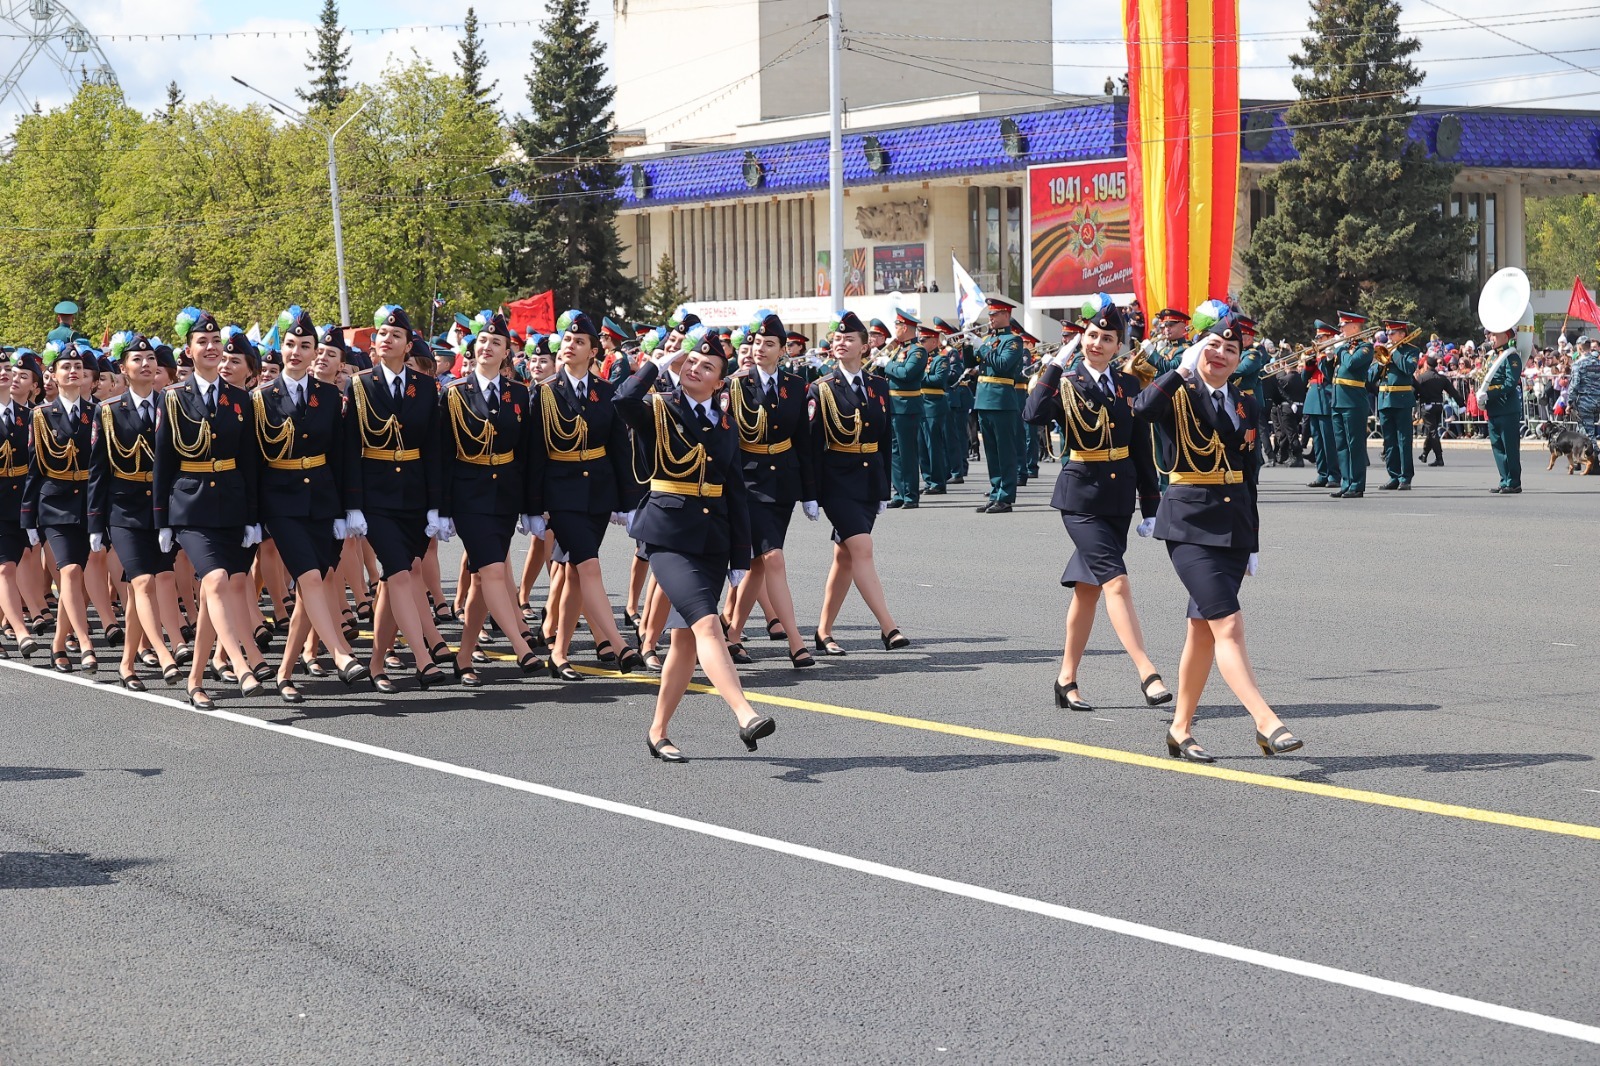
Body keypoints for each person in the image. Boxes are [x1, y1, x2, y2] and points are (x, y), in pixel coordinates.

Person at [1132, 308, 1302, 763]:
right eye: (1213, 345)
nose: (1222, 354)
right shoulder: (1177, 391)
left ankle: (1180, 729)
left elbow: (1250, 474)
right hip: (1188, 524)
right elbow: (1141, 408)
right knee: (1228, 623)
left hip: (1233, 526)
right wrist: (1180, 369)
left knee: (1202, 631)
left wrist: (1254, 540)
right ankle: (1266, 721)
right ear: (1196, 349)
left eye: (1232, 348)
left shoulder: (1244, 401)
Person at [613, 325, 777, 762]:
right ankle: (745, 714)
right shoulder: (658, 408)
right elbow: (621, 401)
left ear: (720, 381)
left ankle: (658, 731)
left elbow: (736, 489)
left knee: (685, 643)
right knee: (707, 624)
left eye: (707, 366)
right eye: (691, 361)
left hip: (713, 540)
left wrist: (740, 554)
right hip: (667, 536)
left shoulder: (724, 423)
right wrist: (655, 365)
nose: (695, 368)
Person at [1023, 295, 1170, 713]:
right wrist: (1055, 363)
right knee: (1116, 582)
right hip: (1081, 497)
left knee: (1087, 592)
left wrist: (1151, 504)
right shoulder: (1065, 382)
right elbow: (1032, 414)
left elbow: (1140, 446)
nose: (1098, 344)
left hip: (1119, 496)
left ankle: (1065, 679)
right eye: (1091, 336)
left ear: (1118, 344)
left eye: (1107, 338)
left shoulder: (1127, 385)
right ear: (1080, 338)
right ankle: (1148, 672)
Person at [252, 306, 370, 703]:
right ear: (280, 347)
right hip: (280, 501)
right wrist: (253, 516)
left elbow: (344, 455)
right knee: (311, 578)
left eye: (306, 346)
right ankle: (339, 651)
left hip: (322, 500)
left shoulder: (330, 396)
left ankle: (285, 672)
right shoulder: (262, 398)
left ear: (316, 351)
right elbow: (252, 462)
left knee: (310, 589)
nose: (298, 352)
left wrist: (348, 509)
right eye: (290, 345)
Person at [153, 310, 266, 708]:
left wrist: (254, 517)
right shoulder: (172, 398)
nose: (212, 348)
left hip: (232, 506)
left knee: (217, 593)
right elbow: (163, 462)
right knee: (216, 580)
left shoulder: (239, 399)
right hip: (190, 506)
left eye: (216, 341)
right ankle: (241, 663)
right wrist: (162, 520)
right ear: (189, 351)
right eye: (203, 342)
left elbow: (250, 460)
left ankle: (196, 680)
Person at [525, 309, 644, 678]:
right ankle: (620, 644)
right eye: (568, 340)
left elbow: (619, 450)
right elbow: (534, 453)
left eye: (580, 341)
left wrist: (628, 502)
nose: (570, 345)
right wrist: (533, 506)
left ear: (594, 351)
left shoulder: (606, 392)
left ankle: (559, 653)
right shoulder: (544, 393)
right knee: (589, 565)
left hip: (598, 492)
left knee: (576, 572)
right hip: (561, 493)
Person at [437, 310, 548, 685]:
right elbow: (443, 455)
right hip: (469, 493)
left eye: (495, 343)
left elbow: (530, 453)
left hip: (506, 493)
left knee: (485, 581)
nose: (486, 347)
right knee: (493, 571)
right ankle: (522, 647)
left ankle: (464, 657)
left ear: (507, 353)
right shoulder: (454, 392)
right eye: (482, 341)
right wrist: (443, 508)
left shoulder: (519, 393)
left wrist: (532, 507)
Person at [342, 304, 449, 692]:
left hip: (415, 495)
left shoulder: (425, 388)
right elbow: (351, 446)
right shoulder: (359, 385)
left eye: (396, 336)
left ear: (408, 347)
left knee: (394, 579)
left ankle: (375, 664)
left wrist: (437, 505)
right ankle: (423, 659)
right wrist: (352, 504)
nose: (387, 339)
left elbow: (433, 448)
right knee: (401, 573)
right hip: (376, 494)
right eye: (382, 335)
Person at [88, 334, 187, 690]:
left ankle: (127, 664)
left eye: (150, 358)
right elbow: (99, 470)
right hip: (124, 509)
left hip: (162, 510)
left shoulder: (173, 404)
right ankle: (162, 653)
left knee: (143, 588)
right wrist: (95, 522)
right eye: (137, 359)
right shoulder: (110, 410)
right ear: (123, 368)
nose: (145, 364)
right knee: (142, 581)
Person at [809, 311, 908, 655]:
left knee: (846, 559)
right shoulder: (821, 388)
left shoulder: (878, 386)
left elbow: (885, 441)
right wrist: (811, 493)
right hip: (836, 482)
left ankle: (823, 632)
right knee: (862, 548)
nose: (840, 342)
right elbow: (811, 444)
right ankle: (888, 627)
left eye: (849, 339)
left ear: (865, 347)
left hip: (868, 481)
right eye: (837, 338)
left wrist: (885, 488)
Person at [722, 310, 817, 669]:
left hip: (783, 483)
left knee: (757, 565)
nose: (761, 348)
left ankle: (731, 635)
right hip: (747, 482)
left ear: (783, 351)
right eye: (757, 342)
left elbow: (803, 442)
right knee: (773, 558)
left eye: (770, 343)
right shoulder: (735, 384)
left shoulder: (796, 386)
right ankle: (796, 642)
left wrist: (809, 492)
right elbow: (726, 440)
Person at [22, 342, 103, 673]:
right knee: (68, 571)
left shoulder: (99, 413)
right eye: (65, 367)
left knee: (78, 578)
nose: (73, 371)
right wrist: (28, 516)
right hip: (54, 504)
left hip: (89, 502)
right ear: (51, 375)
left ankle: (58, 644)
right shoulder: (40, 416)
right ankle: (85, 642)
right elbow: (33, 469)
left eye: (78, 367)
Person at [973, 296, 1025, 514]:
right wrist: (971, 347)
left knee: (1005, 452)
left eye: (995, 314)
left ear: (1007, 315)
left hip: (1002, 400)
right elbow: (972, 365)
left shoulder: (1013, 341)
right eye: (990, 314)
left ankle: (1006, 497)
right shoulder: (988, 340)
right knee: (992, 452)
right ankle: (995, 492)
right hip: (984, 399)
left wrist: (983, 349)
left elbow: (1003, 365)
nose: (991, 318)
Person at [879, 309, 926, 508]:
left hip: (907, 407)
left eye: (897, 326)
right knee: (895, 452)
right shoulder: (899, 350)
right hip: (894, 405)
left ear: (905, 327)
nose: (895, 329)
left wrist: (887, 365)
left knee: (907, 452)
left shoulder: (918, 350)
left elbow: (906, 373)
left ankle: (911, 495)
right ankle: (899, 492)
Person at [1329, 311, 1372, 498]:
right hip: (1338, 401)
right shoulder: (1344, 347)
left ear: (1354, 327)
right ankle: (1346, 482)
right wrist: (1327, 358)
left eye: (1343, 325)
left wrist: (1341, 350)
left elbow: (1351, 365)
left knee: (1355, 445)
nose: (1340, 329)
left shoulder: (1365, 347)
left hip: (1353, 402)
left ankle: (1357, 484)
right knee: (1341, 445)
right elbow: (1332, 372)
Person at [1478, 325, 1524, 494]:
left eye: (1494, 335)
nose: (1491, 338)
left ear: (1505, 336)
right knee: (1497, 446)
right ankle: (1504, 480)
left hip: (1506, 407)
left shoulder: (1511, 357)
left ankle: (1514, 482)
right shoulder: (1492, 357)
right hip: (1494, 408)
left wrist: (1490, 395)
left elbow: (1510, 384)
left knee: (1509, 446)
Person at [1302, 320, 1341, 489]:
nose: (1317, 340)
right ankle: (1322, 473)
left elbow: (1329, 374)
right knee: (1317, 440)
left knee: (1329, 440)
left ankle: (1334, 474)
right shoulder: (1316, 355)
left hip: (1326, 397)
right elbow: (1304, 379)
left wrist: (1323, 359)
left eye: (1321, 337)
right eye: (1317, 337)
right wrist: (1308, 365)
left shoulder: (1334, 354)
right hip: (1313, 398)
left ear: (1330, 337)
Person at [1413, 355, 1460, 466]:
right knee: (1432, 431)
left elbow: (1414, 392)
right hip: (1439, 406)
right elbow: (1453, 392)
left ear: (1426, 365)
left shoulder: (1422, 378)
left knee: (1433, 432)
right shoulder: (1441, 378)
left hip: (1427, 407)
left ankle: (1439, 457)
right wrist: (1461, 404)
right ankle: (1424, 454)